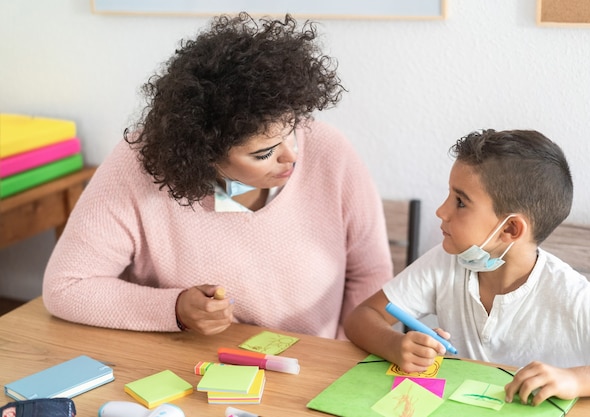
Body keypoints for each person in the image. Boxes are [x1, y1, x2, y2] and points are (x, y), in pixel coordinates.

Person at [42, 12, 393, 340]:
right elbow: (66, 286)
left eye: (292, 130)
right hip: (188, 370)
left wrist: (345, 359)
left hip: (311, 371)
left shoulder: (331, 152)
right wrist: (174, 309)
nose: (294, 155)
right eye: (264, 153)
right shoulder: (139, 163)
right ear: (203, 155)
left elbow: (370, 275)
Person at [344, 129, 590, 405]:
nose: (441, 211)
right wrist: (394, 344)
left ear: (511, 229)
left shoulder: (571, 297)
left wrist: (574, 380)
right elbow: (361, 317)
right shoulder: (444, 262)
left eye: (460, 202)